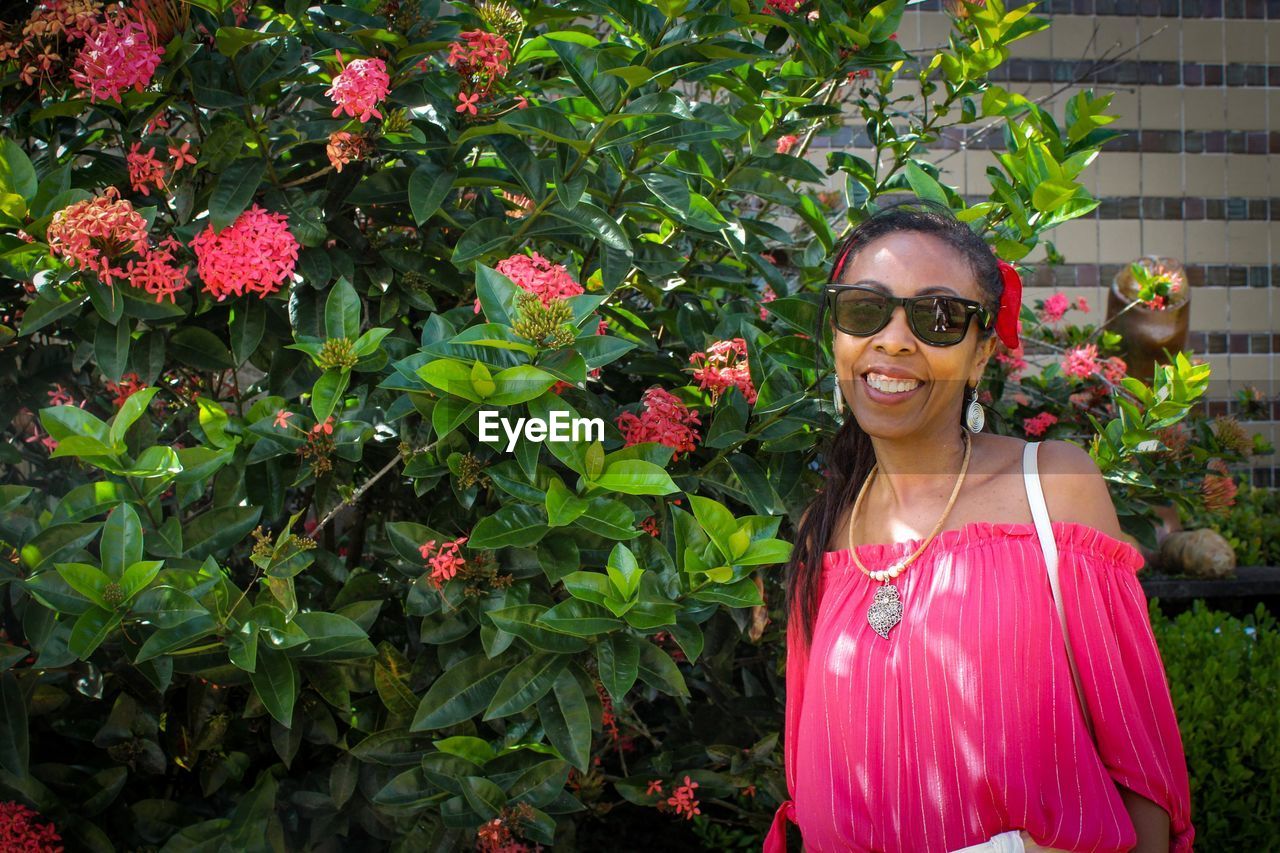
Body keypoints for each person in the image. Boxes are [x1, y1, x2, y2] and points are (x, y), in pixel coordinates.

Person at [763, 199, 1194, 853]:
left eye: (938, 317)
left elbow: (1140, 765)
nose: (894, 339)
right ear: (838, 335)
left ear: (981, 354)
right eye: (864, 310)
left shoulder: (1053, 487)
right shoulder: (822, 527)